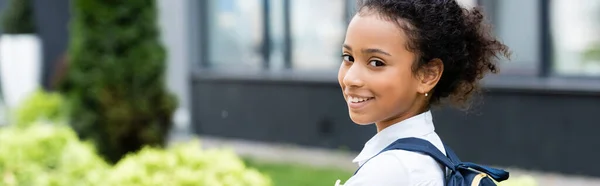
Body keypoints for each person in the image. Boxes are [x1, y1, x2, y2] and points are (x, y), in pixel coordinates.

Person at [335, 0, 510, 185]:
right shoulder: (431, 154)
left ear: (427, 75)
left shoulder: (391, 171)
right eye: (348, 58)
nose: (350, 79)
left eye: (376, 62)